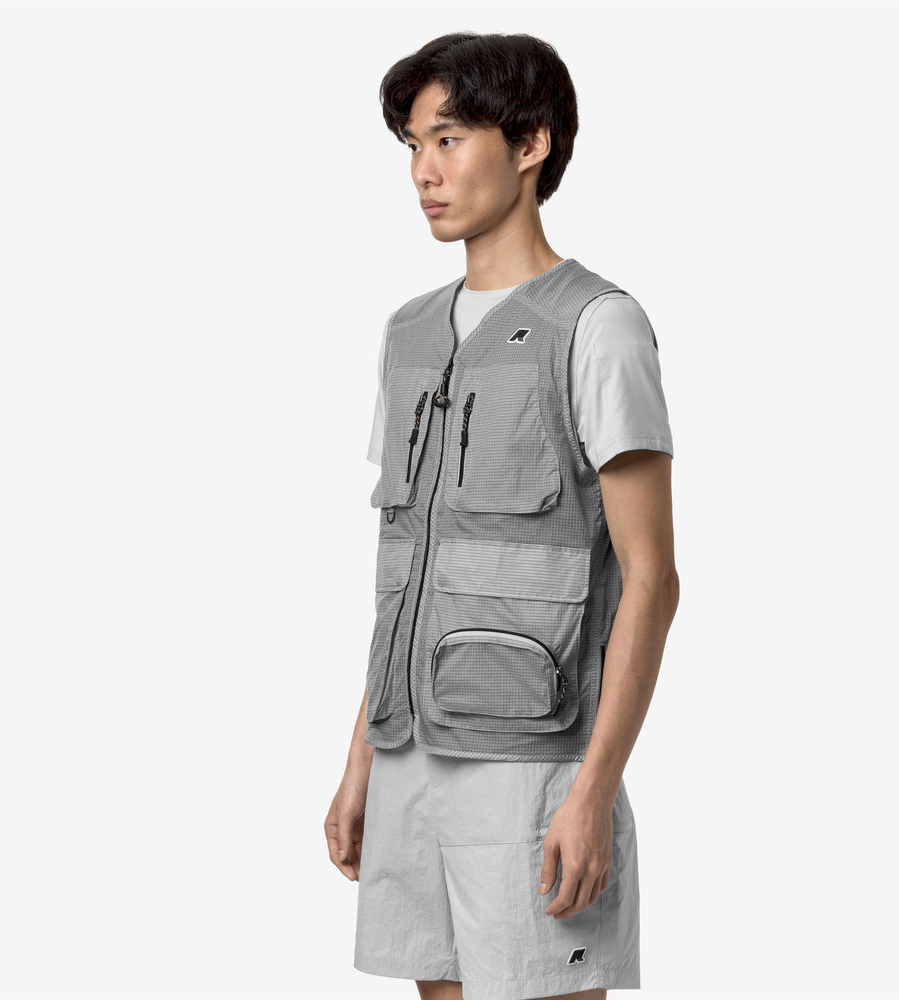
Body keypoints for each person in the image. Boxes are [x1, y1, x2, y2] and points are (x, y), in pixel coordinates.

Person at [324, 31, 679, 1000]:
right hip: (408, 754)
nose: (423, 172)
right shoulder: (408, 333)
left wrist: (593, 788)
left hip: (533, 766)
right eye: (412, 145)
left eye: (447, 139)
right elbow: (407, 570)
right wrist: (361, 760)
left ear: (530, 143)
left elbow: (652, 579)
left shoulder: (598, 326)